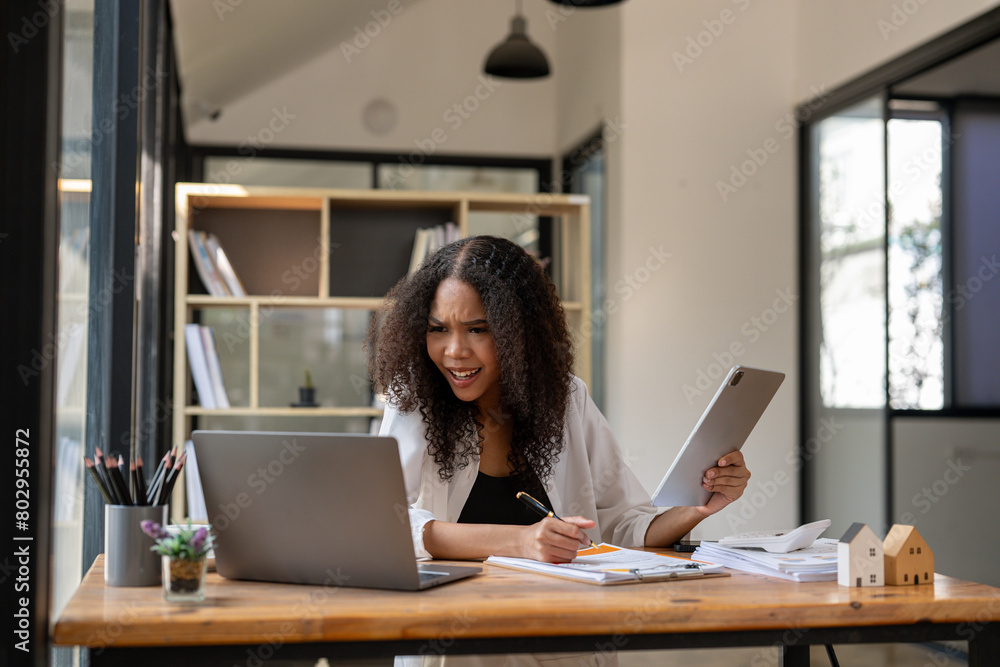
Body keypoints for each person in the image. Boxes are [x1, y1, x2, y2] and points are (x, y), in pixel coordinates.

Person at [366, 235, 750, 666]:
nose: (454, 351)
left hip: (561, 640)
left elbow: (622, 523)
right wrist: (522, 541)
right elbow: (388, 527)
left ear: (517, 332)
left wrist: (698, 507)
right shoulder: (413, 402)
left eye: (478, 329)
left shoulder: (566, 398)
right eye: (438, 329)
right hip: (455, 646)